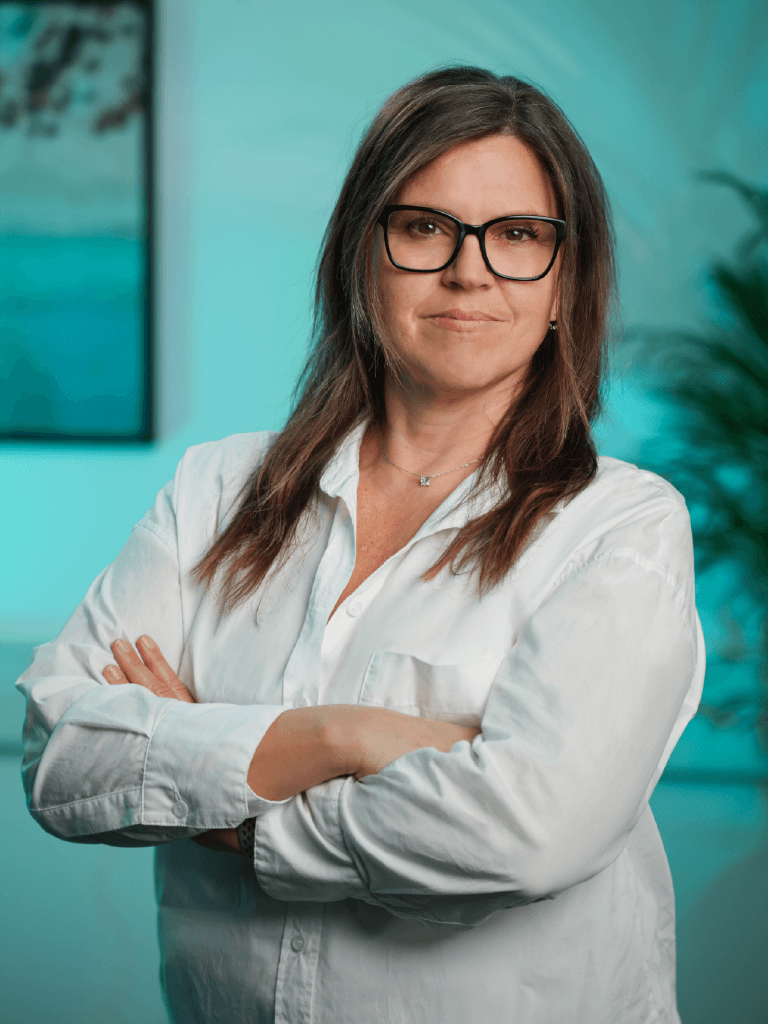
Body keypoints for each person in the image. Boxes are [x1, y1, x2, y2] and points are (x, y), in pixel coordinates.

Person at [17, 66, 704, 1024]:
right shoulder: (217, 490)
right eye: (425, 228)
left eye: (517, 236)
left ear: (565, 286)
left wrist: (221, 802)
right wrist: (346, 738)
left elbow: (526, 833)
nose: (470, 271)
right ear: (360, 256)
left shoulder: (621, 528)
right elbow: (58, 755)